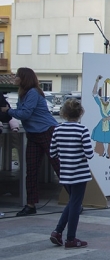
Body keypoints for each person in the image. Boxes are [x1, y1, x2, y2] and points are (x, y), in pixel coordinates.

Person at [2, 67, 59, 216]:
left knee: (59, 167)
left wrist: (7, 111)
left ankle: (75, 201)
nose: (14, 78)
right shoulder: (23, 94)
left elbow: (25, 114)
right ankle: (30, 204)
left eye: (17, 76)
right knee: (31, 170)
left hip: (47, 132)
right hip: (33, 134)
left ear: (24, 78)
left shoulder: (33, 93)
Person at [48, 99, 94, 249]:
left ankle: (58, 231)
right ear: (80, 113)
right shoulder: (82, 130)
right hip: (80, 173)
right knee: (75, 204)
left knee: (72, 202)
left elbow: (53, 153)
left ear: (63, 113)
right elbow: (89, 153)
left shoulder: (57, 129)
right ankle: (71, 238)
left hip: (65, 173)